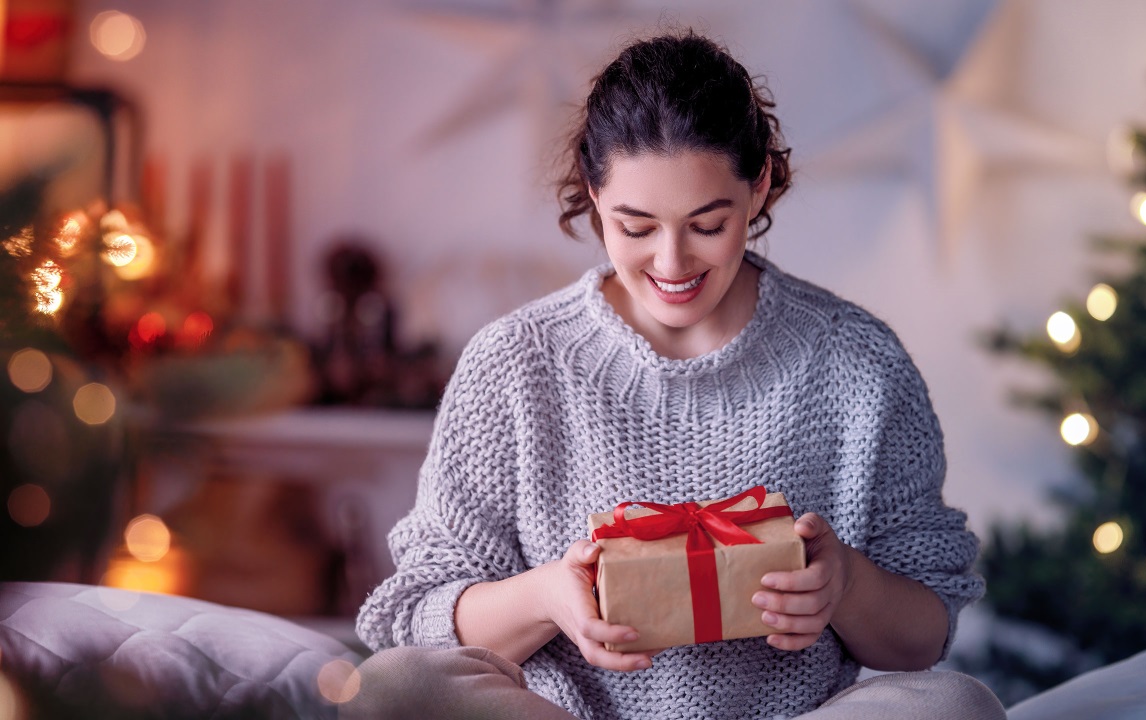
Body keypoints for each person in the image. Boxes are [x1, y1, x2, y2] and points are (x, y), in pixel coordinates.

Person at [350, 30, 1005, 720]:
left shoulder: (858, 364)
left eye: (707, 224)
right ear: (594, 196)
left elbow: (926, 635)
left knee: (958, 707)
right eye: (636, 228)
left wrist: (844, 584)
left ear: (758, 187)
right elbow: (414, 613)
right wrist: (547, 597)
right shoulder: (515, 362)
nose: (672, 262)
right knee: (389, 688)